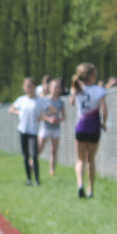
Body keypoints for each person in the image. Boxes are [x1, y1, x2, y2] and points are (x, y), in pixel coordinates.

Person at [70, 63, 107, 198]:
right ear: (92, 76)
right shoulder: (99, 90)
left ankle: (80, 185)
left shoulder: (77, 89)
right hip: (94, 127)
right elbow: (104, 110)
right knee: (90, 159)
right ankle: (91, 189)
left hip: (80, 127)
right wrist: (104, 123)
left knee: (80, 159)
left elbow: (72, 102)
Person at [9, 78, 44, 186]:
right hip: (23, 130)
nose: (29, 89)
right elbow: (11, 109)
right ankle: (28, 179)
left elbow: (50, 109)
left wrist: (42, 116)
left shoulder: (39, 100)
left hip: (33, 131)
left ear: (34, 87)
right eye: (27, 87)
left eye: (31, 86)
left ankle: (37, 180)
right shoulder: (21, 100)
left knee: (34, 155)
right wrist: (19, 112)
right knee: (25, 156)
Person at [37, 78, 65, 177]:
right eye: (54, 87)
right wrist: (49, 119)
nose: (56, 89)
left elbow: (64, 117)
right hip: (45, 127)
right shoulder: (45, 100)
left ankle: (52, 170)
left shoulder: (61, 102)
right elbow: (41, 115)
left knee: (54, 150)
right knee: (39, 148)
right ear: (50, 88)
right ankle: (32, 164)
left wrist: (57, 120)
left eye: (58, 87)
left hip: (56, 128)